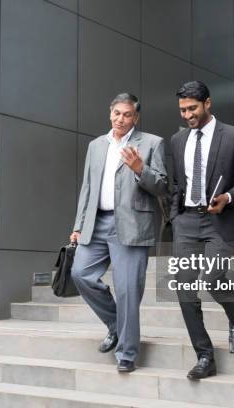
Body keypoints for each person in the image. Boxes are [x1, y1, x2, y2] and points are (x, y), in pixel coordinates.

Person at [70, 93, 168, 373]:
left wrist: (141, 169)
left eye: (127, 115)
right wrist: (79, 225)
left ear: (135, 117)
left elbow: (162, 186)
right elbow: (87, 187)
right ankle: (116, 324)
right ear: (110, 113)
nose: (121, 119)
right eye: (117, 113)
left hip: (132, 225)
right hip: (97, 223)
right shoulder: (96, 145)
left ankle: (127, 353)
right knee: (81, 274)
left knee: (128, 291)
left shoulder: (151, 143)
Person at [169, 80, 234, 380]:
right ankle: (205, 356)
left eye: (192, 108)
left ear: (207, 103)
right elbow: (176, 184)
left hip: (220, 221)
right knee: (184, 289)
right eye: (183, 110)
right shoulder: (177, 140)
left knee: (212, 276)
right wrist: (175, 216)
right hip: (187, 222)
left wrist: (228, 197)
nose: (187, 115)